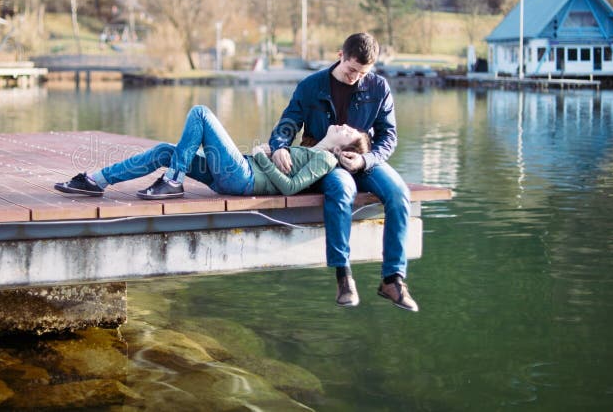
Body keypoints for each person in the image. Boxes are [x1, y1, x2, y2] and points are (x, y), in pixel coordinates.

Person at [268, 32, 417, 312]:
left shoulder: (379, 87)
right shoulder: (311, 86)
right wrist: (279, 146)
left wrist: (366, 160)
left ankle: (393, 279)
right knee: (342, 190)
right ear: (340, 56)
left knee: (399, 193)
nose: (355, 77)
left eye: (363, 73)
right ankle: (344, 276)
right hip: (324, 158)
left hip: (364, 158)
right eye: (351, 70)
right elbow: (289, 122)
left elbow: (389, 137)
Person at [55, 105, 370, 201]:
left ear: (343, 150)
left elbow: (289, 189)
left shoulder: (326, 160)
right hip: (234, 175)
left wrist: (262, 155)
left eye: (347, 130)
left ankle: (173, 181)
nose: (342, 124)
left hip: (244, 178)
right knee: (167, 150)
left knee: (201, 113)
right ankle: (96, 180)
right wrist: (273, 151)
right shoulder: (311, 149)